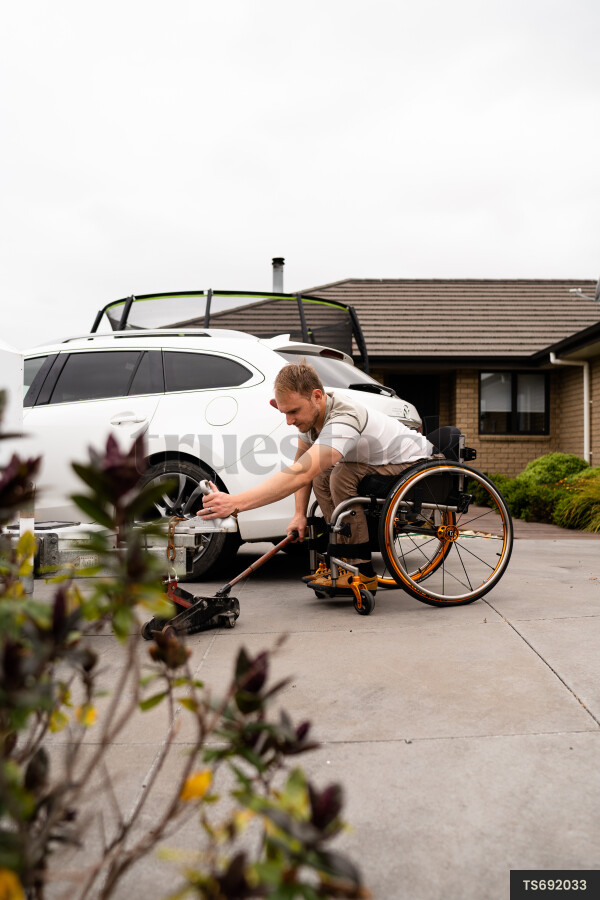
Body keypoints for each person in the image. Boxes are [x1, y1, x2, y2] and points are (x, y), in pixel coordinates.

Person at [196, 361, 435, 593]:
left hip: (412, 462)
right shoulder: (313, 418)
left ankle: (361, 571)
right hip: (376, 462)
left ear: (317, 396)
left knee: (341, 475)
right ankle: (344, 563)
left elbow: (300, 473)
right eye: (284, 413)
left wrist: (236, 503)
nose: (289, 421)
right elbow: (301, 465)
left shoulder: (344, 417)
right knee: (323, 477)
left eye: (294, 411)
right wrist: (299, 514)